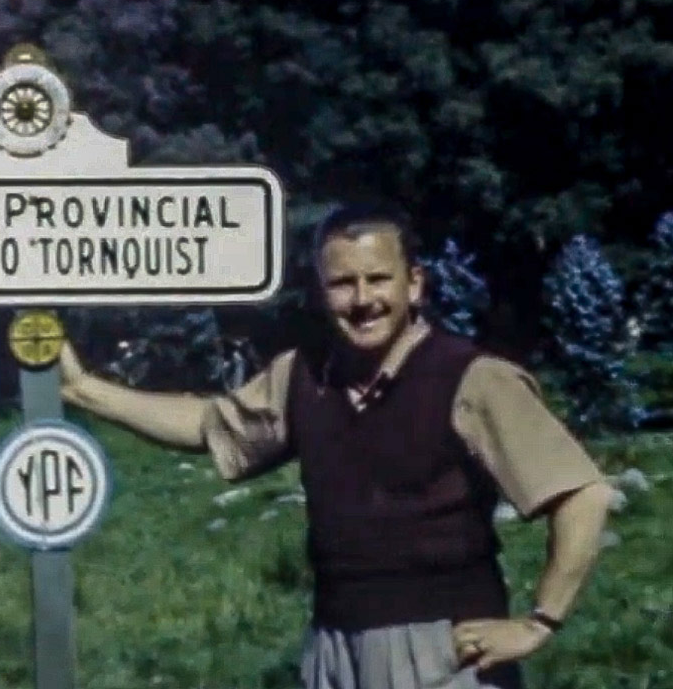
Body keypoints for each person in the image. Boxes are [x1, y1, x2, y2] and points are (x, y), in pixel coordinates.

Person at [58, 202, 617, 689]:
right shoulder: (305, 376)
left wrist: (540, 622)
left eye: (379, 279)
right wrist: (86, 391)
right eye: (343, 283)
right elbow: (210, 424)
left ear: (414, 284)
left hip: (442, 652)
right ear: (322, 293)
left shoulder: (472, 378)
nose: (362, 300)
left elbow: (582, 495)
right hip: (334, 648)